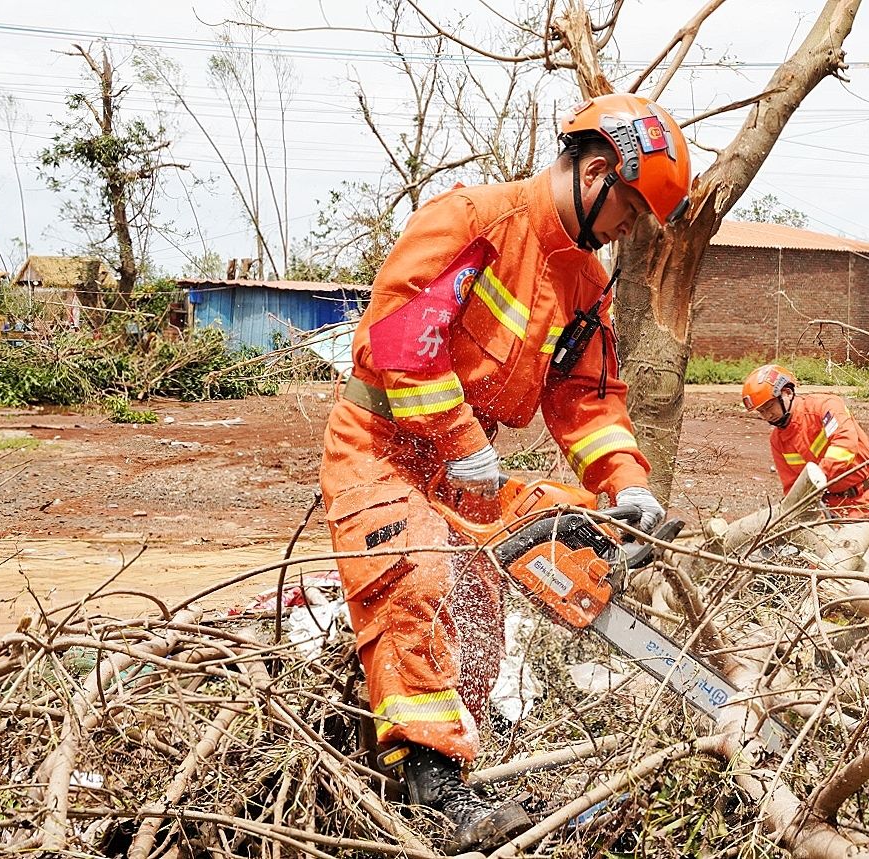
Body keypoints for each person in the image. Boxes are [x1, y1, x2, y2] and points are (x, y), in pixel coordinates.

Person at [319, 93, 690, 852]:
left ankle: (454, 763)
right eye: (629, 208)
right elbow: (396, 340)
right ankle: (431, 788)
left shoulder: (584, 281)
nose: (629, 229)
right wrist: (458, 437)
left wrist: (626, 483)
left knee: (485, 605)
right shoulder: (472, 222)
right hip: (383, 440)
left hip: (465, 464)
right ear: (596, 171)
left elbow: (586, 399)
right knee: (415, 576)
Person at [741, 363, 869, 553]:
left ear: (787, 393)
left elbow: (846, 444)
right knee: (838, 564)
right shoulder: (778, 441)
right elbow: (792, 488)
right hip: (833, 506)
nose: (767, 415)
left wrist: (818, 476)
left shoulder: (824, 407)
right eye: (761, 411)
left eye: (769, 407)